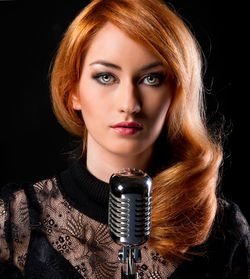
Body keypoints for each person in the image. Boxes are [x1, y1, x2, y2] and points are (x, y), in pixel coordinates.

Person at [0, 0, 249, 278]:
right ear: (73, 91)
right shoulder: (14, 220)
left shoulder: (222, 228)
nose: (129, 104)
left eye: (151, 79)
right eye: (106, 76)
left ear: (176, 93)